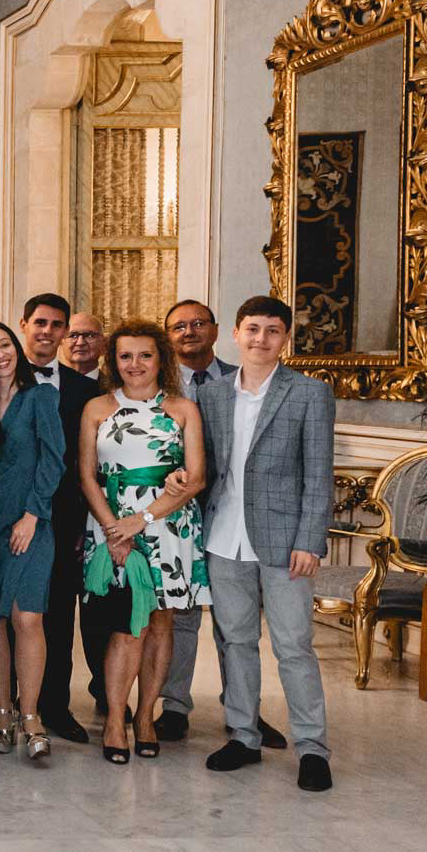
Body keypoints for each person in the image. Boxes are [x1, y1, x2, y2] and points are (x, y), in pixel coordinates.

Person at [198, 297, 336, 793]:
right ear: (236, 333)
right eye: (252, 329)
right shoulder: (211, 394)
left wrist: (310, 540)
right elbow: (206, 465)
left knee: (293, 646)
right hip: (223, 537)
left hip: (285, 542)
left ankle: (312, 748)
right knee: (235, 642)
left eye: (272, 330)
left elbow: (319, 474)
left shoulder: (310, 393)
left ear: (285, 338)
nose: (261, 338)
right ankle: (243, 735)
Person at [78, 320, 208, 765]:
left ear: (161, 359)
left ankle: (146, 716)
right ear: (113, 362)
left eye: (145, 355)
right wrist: (115, 528)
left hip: (168, 526)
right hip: (112, 524)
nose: (135, 364)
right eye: (125, 356)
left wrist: (145, 518)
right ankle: (116, 720)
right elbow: (86, 477)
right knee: (127, 625)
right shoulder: (97, 408)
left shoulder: (183, 410)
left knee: (160, 623)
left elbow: (196, 478)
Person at [159, 298, 285, 746]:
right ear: (168, 336)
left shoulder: (244, 379)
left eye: (198, 323)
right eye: (179, 326)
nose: (189, 331)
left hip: (233, 518)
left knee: (237, 625)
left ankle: (244, 711)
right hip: (178, 515)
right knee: (182, 616)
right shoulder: (158, 386)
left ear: (217, 330)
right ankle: (174, 706)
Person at [0, 318, 65, 761]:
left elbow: (54, 459)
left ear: (17, 346)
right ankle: (2, 711)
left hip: (32, 520)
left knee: (27, 616)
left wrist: (32, 514)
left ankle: (31, 715)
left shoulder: (40, 396)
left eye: (5, 344)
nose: (0, 355)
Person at [16, 292, 105, 742]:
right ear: (24, 325)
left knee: (57, 616)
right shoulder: (0, 378)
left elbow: (86, 463)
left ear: (65, 332)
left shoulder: (85, 391)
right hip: (9, 515)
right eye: (40, 322)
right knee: (8, 614)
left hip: (63, 520)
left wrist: (80, 523)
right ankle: (5, 704)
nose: (47, 331)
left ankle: (54, 706)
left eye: (56, 325)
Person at [63, 312, 104, 378]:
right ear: (61, 341)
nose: (80, 343)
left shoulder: (115, 384)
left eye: (90, 336)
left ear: (103, 342)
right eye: (73, 336)